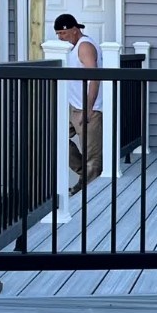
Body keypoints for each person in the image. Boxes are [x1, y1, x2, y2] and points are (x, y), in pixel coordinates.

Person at [54, 13, 102, 193]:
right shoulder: (75, 48)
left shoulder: (85, 47)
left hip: (89, 110)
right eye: (58, 34)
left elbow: (94, 78)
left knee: (92, 157)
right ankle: (84, 178)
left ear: (74, 30)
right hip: (75, 108)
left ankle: (89, 195)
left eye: (63, 33)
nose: (60, 38)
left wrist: (88, 109)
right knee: (56, 139)